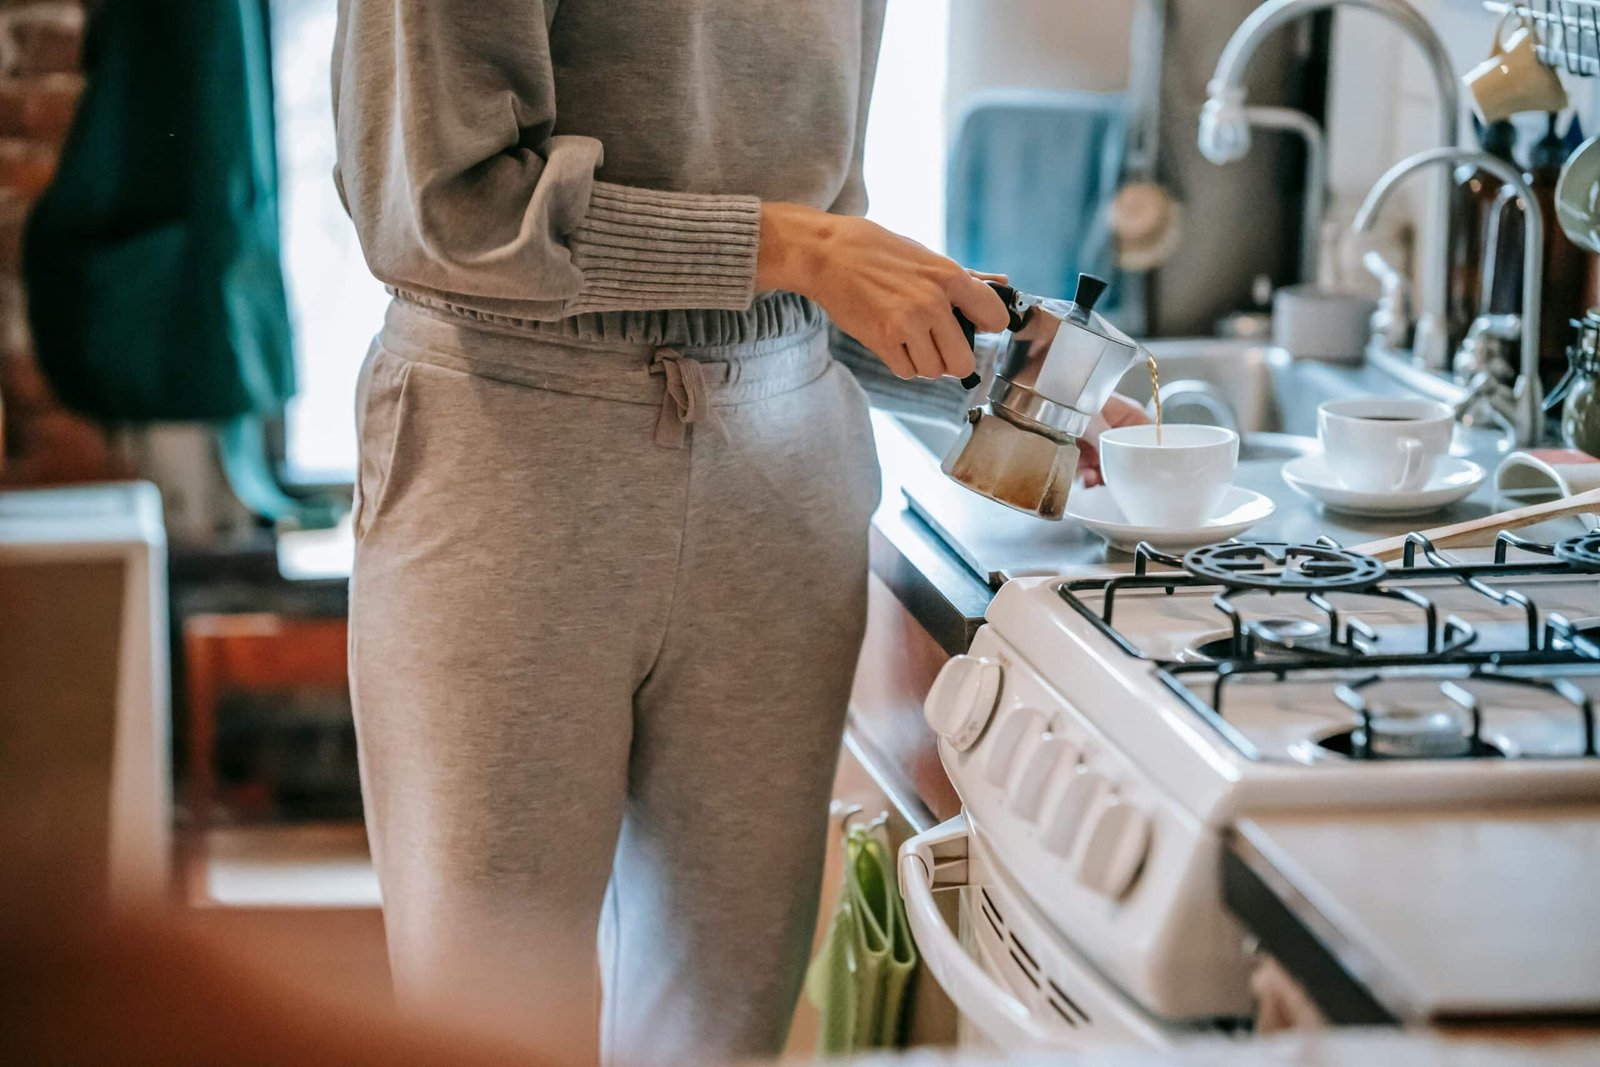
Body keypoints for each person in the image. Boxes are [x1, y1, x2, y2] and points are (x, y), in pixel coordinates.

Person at [331, 4, 1143, 1066]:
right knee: (486, 1022)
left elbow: (799, 268)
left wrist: (1004, 384)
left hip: (782, 471)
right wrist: (797, 244)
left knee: (722, 1032)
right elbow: (438, 203)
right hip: (512, 463)